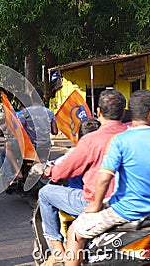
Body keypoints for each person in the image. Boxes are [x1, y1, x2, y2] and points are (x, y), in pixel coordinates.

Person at [66, 89, 150, 266]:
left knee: (75, 231)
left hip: (125, 212)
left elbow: (103, 178)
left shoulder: (120, 140)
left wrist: (95, 205)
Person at [37, 89, 127, 265]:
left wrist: (50, 171)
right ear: (123, 112)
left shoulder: (91, 141)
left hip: (98, 201)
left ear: (99, 112)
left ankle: (57, 250)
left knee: (46, 194)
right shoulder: (134, 134)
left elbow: (63, 170)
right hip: (134, 201)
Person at [19, 89, 58, 164]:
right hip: (45, 146)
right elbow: (55, 132)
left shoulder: (25, 112)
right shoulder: (49, 112)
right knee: (46, 166)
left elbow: (21, 130)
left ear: (32, 99)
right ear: (42, 98)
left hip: (31, 146)